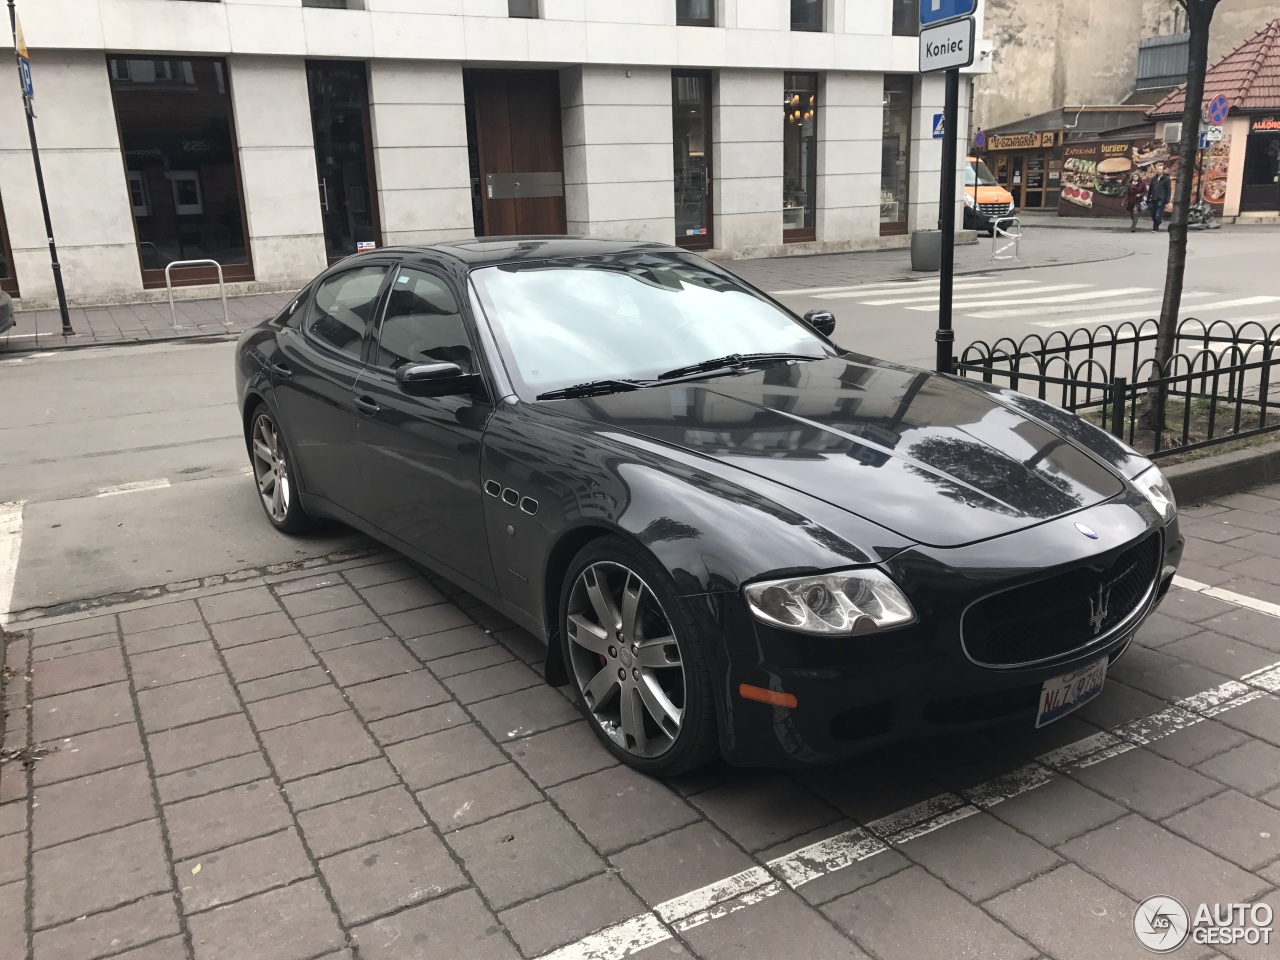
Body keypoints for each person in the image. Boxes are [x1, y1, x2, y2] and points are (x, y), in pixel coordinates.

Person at [1147, 162, 1172, 231]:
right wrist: (1148, 197)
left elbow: (1169, 189)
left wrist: (1167, 199)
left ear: (1163, 170)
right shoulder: (1154, 178)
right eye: (1157, 169)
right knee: (1153, 213)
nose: (1158, 170)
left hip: (1161, 198)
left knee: (1158, 214)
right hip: (1153, 198)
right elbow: (1151, 188)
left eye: (1160, 169)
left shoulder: (1166, 179)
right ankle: (1158, 222)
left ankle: (1155, 228)